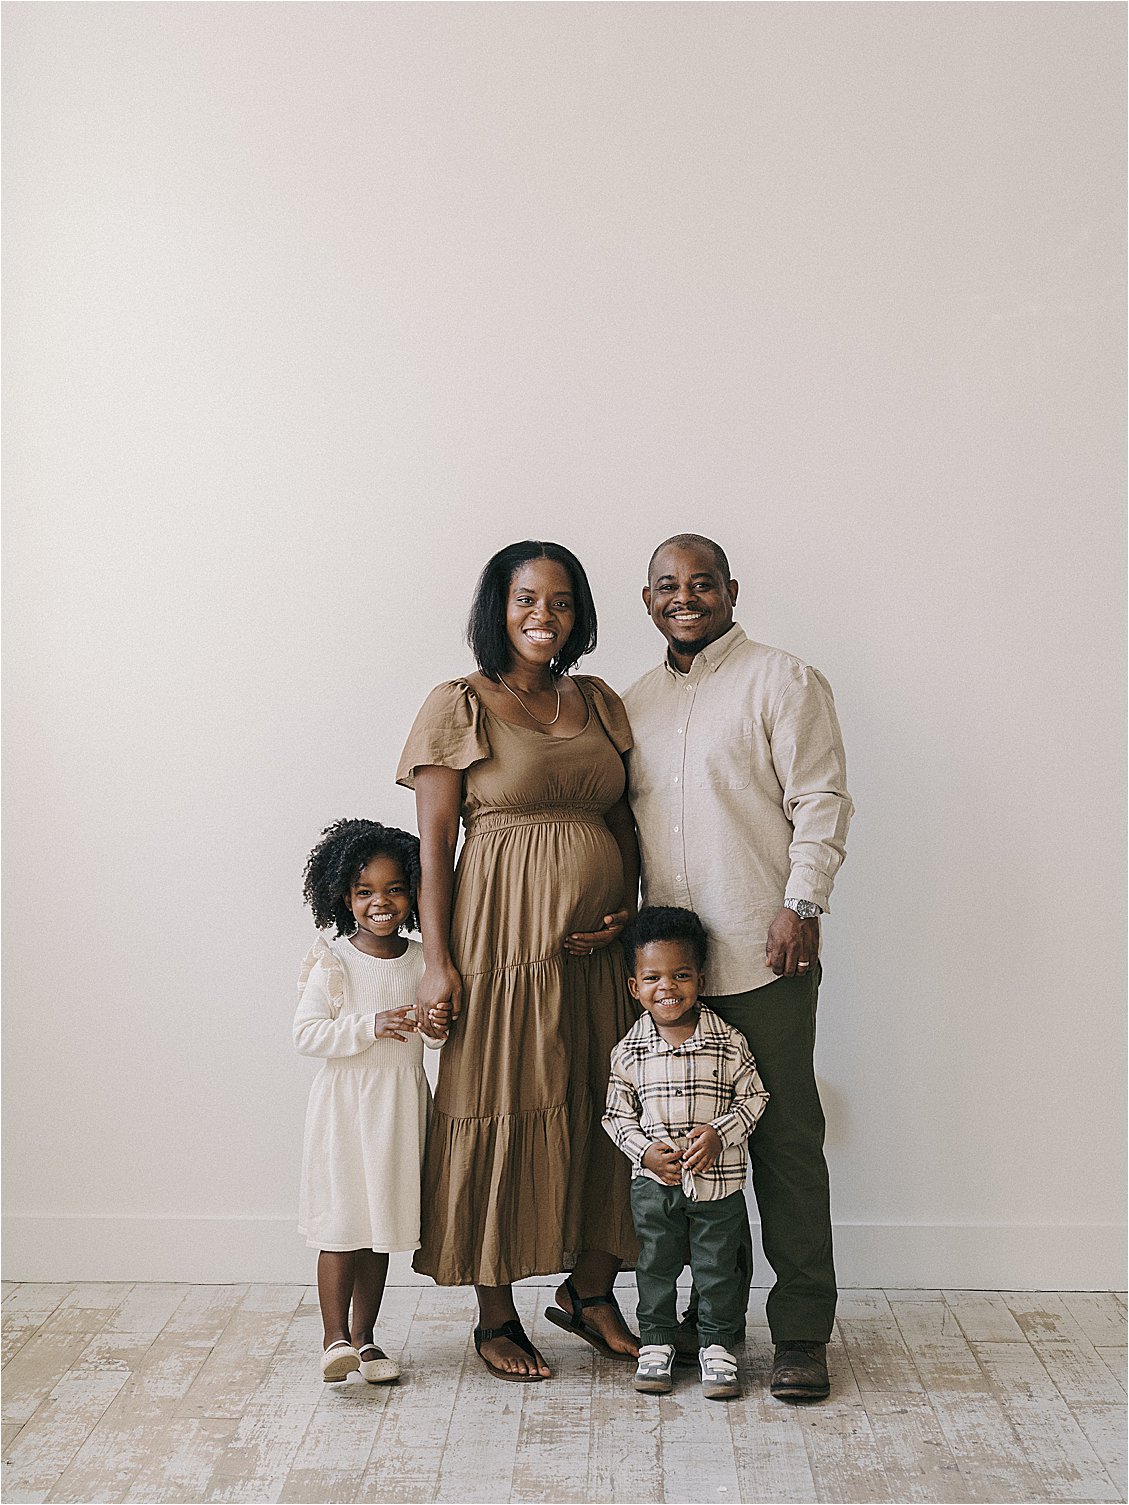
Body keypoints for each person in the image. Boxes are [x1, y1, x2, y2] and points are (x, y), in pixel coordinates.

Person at [396, 540, 640, 1382]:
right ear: (496, 607)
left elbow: (623, 823)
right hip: (500, 945)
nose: (546, 616)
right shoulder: (459, 702)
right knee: (499, 1103)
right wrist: (438, 963)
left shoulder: (600, 699)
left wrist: (625, 911)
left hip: (597, 955)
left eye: (563, 601)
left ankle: (592, 1293)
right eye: (527, 599)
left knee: (609, 1107)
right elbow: (433, 848)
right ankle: (495, 1314)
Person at [623, 533, 852, 1403]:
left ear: (729, 590)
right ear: (648, 600)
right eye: (667, 586)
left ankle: (798, 1331)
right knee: (675, 1158)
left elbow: (820, 797)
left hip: (764, 954)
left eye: (702, 582)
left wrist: (803, 901)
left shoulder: (781, 680)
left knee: (786, 1145)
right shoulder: (634, 702)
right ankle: (696, 1318)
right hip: (670, 981)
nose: (685, 597)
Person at [294, 818, 449, 1384]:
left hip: (399, 1106)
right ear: (344, 897)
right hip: (345, 1109)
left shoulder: (422, 961)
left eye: (394, 889)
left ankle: (366, 1339)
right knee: (341, 1224)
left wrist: (434, 1022)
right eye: (365, 892)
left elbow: (433, 1040)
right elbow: (306, 1034)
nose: (380, 903)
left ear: (414, 894)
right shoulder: (334, 962)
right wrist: (369, 1025)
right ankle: (333, 1339)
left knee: (379, 1224)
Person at [603, 906, 769, 1401]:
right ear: (635, 987)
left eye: (680, 975)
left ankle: (717, 1345)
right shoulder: (630, 1051)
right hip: (655, 1187)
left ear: (700, 978)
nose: (667, 987)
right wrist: (644, 1154)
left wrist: (720, 1134)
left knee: (718, 1268)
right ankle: (656, 1342)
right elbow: (615, 1116)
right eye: (653, 977)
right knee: (655, 1265)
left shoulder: (727, 1042)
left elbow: (755, 1097)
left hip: (719, 1186)